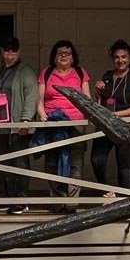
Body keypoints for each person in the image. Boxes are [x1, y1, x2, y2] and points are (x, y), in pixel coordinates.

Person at [0, 37, 38, 215]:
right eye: (7, 50)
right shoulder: (0, 73)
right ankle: (6, 199)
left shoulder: (25, 72)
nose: (10, 54)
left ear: (19, 52)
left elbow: (31, 96)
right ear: (2, 52)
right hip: (0, 127)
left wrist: (25, 120)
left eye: (14, 50)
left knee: (20, 163)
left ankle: (20, 199)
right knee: (3, 163)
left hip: (17, 126)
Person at [37, 40, 91, 208]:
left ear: (73, 57)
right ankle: (58, 200)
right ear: (54, 57)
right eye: (59, 53)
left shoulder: (81, 73)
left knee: (76, 162)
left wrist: (86, 119)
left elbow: (87, 100)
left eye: (67, 53)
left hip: (76, 123)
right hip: (53, 123)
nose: (63, 56)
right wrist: (42, 116)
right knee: (52, 161)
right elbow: (39, 100)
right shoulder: (46, 73)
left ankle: (72, 202)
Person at [91, 39, 130, 195]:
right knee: (97, 159)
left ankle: (124, 197)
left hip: (125, 125)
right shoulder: (107, 75)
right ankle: (107, 190)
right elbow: (100, 102)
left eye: (124, 57)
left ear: (129, 58)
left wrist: (117, 114)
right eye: (117, 57)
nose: (120, 60)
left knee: (123, 162)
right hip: (105, 124)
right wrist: (97, 90)